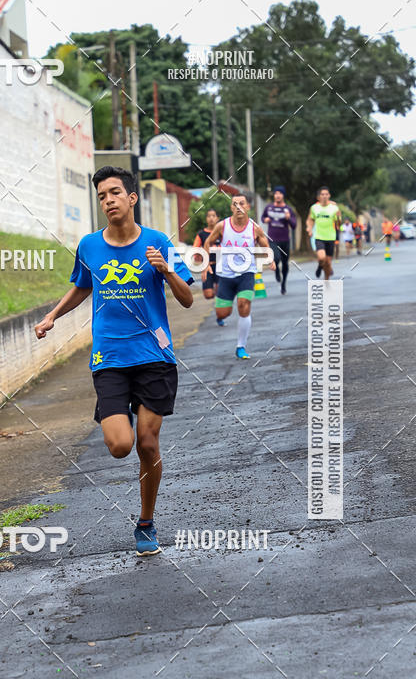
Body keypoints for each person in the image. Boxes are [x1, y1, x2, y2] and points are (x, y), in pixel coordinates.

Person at [34, 166, 193, 557]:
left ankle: (146, 521)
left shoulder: (157, 242)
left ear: (132, 198)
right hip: (108, 357)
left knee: (147, 443)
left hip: (154, 356)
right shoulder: (89, 245)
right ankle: (115, 410)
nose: (108, 200)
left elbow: (188, 298)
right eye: (102, 195)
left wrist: (166, 270)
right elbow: (82, 286)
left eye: (115, 193)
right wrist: (53, 315)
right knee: (120, 445)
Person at [203, 193, 275, 360]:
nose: (238, 207)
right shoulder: (222, 226)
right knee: (223, 313)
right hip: (225, 275)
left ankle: (240, 346)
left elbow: (264, 243)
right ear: (231, 208)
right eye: (235, 204)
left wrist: (269, 258)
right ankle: (220, 314)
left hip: (247, 273)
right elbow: (208, 242)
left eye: (242, 203)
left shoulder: (254, 228)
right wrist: (206, 263)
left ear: (248, 207)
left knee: (244, 305)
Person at [261, 185, 296, 295]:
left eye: (280, 193)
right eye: (276, 193)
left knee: (285, 263)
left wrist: (288, 218)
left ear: (283, 195)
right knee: (276, 257)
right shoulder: (269, 207)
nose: (277, 195)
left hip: (285, 239)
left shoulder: (288, 209)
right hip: (272, 239)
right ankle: (276, 271)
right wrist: (265, 219)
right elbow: (263, 217)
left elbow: (294, 225)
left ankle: (283, 284)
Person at [193, 207, 225, 325]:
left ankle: (220, 316)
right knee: (208, 294)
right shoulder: (201, 234)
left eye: (213, 216)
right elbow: (195, 249)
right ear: (206, 219)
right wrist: (198, 255)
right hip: (207, 266)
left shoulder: (222, 232)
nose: (211, 218)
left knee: (220, 291)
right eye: (209, 216)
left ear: (217, 218)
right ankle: (219, 296)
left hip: (220, 266)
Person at [306, 187, 341, 280]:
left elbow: (338, 224)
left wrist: (338, 217)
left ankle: (326, 280)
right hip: (319, 236)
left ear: (329, 196)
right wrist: (309, 228)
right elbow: (310, 219)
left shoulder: (334, 208)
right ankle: (320, 265)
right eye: (322, 194)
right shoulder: (314, 208)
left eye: (326, 194)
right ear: (318, 197)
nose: (324, 196)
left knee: (328, 263)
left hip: (331, 237)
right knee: (322, 258)